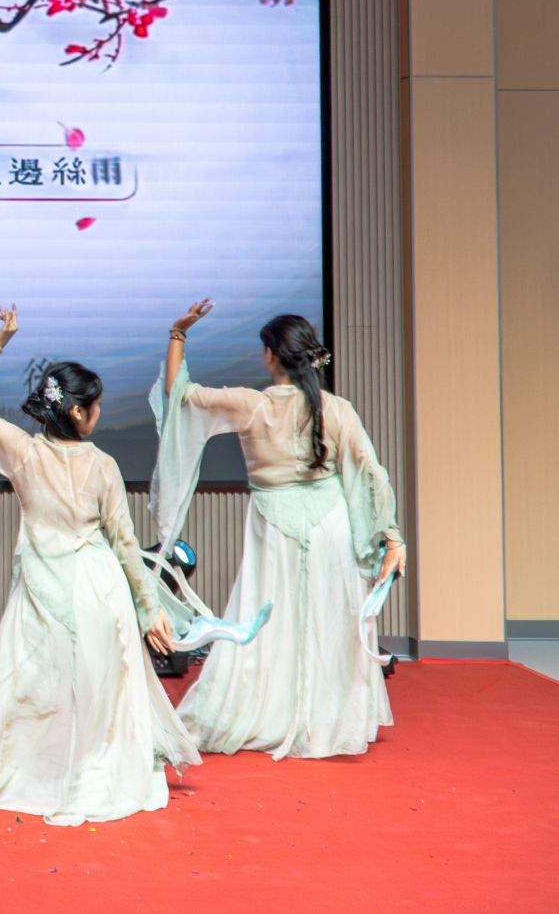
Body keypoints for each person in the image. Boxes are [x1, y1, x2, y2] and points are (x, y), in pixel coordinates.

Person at [0, 306, 199, 824]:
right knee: (97, 692)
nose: (100, 412)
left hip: (47, 586)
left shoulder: (23, 452)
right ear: (77, 413)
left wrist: (0, 340)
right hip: (98, 590)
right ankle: (81, 771)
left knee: (11, 687)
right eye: (95, 405)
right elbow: (124, 543)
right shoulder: (102, 466)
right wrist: (147, 607)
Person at [154, 302, 406, 759]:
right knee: (327, 620)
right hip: (329, 523)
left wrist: (178, 333)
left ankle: (270, 712)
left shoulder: (253, 405)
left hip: (274, 523)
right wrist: (391, 537)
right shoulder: (336, 409)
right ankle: (326, 719)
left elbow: (179, 395)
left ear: (270, 355)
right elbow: (370, 473)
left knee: (274, 621)